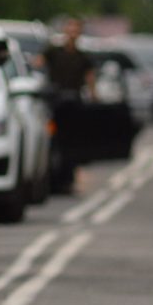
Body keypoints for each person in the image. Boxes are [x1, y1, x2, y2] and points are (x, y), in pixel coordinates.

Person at [39, 17, 96, 194]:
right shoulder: (54, 52)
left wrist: (94, 97)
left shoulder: (83, 57)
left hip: (73, 103)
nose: (72, 33)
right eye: (70, 28)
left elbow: (90, 78)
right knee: (53, 139)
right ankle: (52, 176)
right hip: (55, 103)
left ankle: (68, 177)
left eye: (76, 29)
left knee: (72, 142)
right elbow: (38, 63)